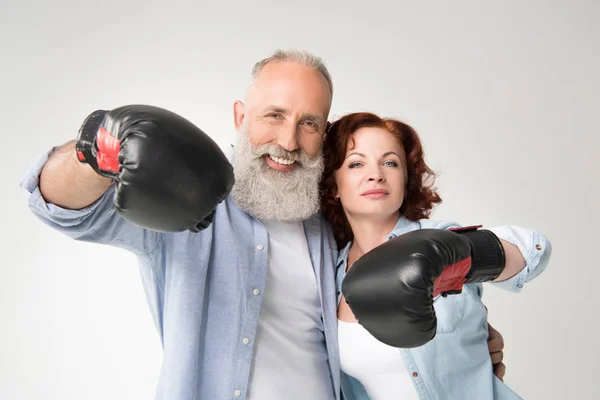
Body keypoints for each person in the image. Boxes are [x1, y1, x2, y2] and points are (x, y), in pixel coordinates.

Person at [21, 49, 510, 400]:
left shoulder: (333, 227)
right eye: (273, 115)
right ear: (240, 116)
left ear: (323, 132)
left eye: (309, 123)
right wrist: (98, 149)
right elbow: (59, 207)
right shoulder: (182, 202)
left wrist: (461, 340)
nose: (288, 140)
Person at [319, 112, 552, 399]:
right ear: (333, 186)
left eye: (390, 163)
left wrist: (461, 256)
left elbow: (533, 251)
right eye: (356, 163)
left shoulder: (439, 237)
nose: (376, 174)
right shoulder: (330, 273)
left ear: (405, 181)